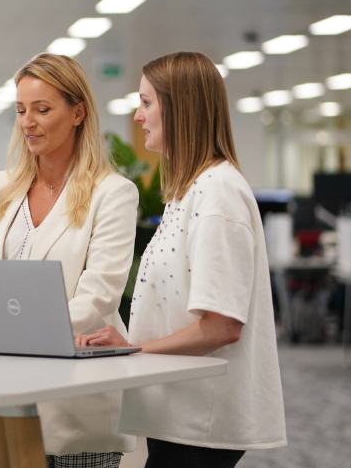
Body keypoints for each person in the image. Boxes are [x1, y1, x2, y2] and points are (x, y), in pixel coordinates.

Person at [84, 52, 287, 467]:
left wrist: (132, 348)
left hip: (202, 421)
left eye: (146, 103)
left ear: (180, 108)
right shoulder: (189, 191)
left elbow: (221, 326)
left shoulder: (218, 194)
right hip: (177, 412)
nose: (138, 117)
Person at [0, 53, 139, 468]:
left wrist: (12, 335)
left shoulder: (112, 193)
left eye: (42, 109)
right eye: (21, 110)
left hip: (73, 402)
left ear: (77, 112)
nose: (27, 122)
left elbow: (99, 296)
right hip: (1, 396)